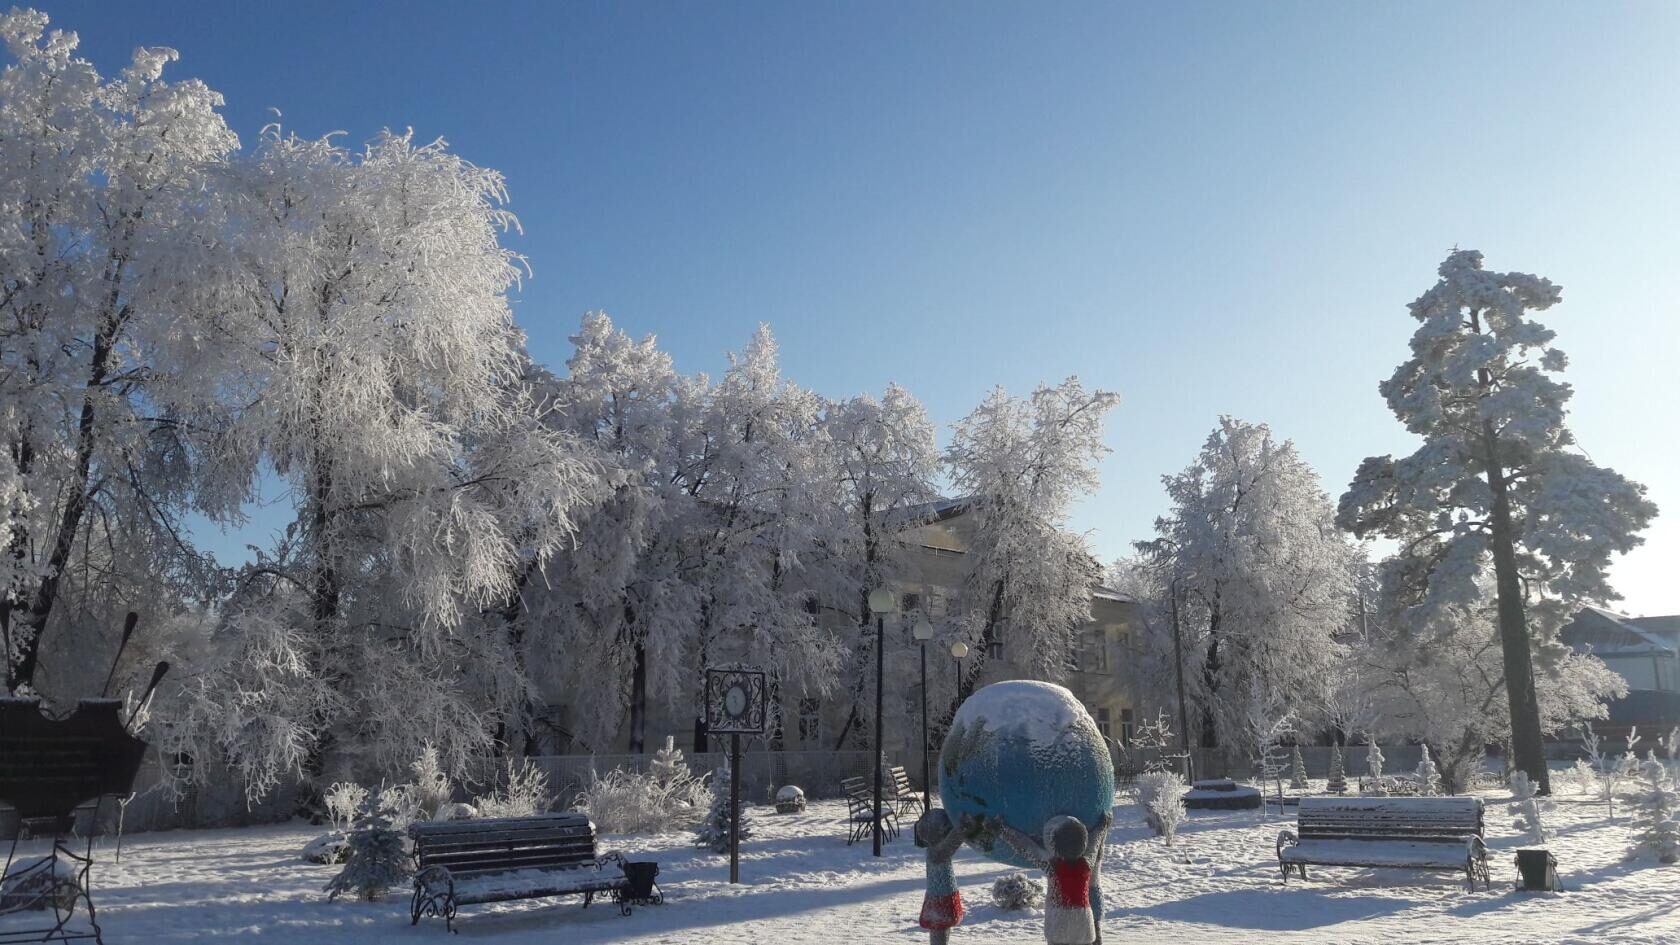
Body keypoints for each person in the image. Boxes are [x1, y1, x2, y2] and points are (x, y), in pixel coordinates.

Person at [990, 812, 1111, 945]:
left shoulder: (1052, 866)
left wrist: (1002, 830)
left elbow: (1026, 848)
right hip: (1082, 924)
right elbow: (1094, 842)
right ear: (1083, 843)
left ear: (1056, 844)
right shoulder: (1087, 864)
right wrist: (1103, 825)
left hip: (1058, 924)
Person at [915, 810, 979, 944]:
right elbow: (951, 844)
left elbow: (951, 842)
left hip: (942, 895)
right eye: (945, 827)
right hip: (939, 899)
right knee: (940, 927)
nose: (947, 829)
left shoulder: (933, 850)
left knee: (944, 927)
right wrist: (963, 827)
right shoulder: (936, 854)